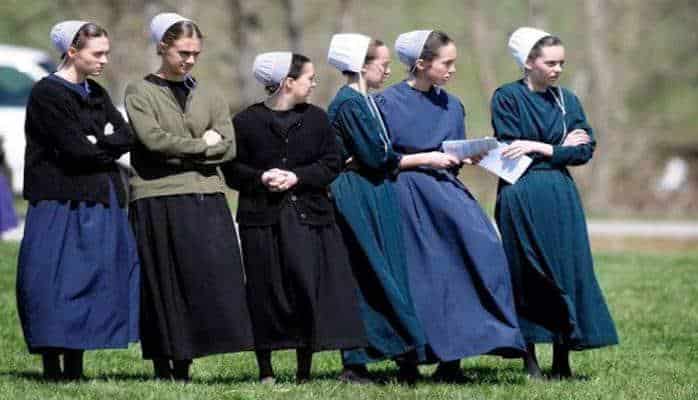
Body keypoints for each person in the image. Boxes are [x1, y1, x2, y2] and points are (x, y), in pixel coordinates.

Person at [373, 30, 526, 382]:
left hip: (446, 192)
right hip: (404, 193)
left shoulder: (453, 105)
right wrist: (426, 159)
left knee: (482, 250)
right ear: (421, 63)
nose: (453, 69)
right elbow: (382, 158)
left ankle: (455, 358)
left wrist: (468, 155)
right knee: (418, 275)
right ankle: (410, 360)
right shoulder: (385, 104)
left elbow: (452, 153)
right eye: (447, 63)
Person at [223, 51, 366, 384]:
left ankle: (304, 370)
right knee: (263, 291)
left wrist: (297, 177)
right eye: (309, 78)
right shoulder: (245, 122)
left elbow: (331, 163)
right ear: (288, 82)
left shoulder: (317, 119)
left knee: (305, 288)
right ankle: (266, 370)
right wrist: (261, 178)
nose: (314, 84)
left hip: (309, 218)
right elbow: (232, 169)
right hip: (261, 220)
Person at [124, 13, 253, 381]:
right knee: (163, 282)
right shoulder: (139, 92)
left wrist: (186, 149)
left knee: (206, 279)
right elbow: (154, 142)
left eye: (196, 53)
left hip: (206, 195)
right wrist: (202, 145)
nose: (190, 60)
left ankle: (188, 360)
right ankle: (164, 361)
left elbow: (228, 147)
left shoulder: (211, 94)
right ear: (162, 47)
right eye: (183, 52)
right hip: (157, 197)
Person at [491, 27, 618, 379]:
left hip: (561, 194)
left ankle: (562, 360)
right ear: (528, 62)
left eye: (561, 62)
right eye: (550, 63)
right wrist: (560, 147)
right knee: (527, 272)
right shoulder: (506, 97)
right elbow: (511, 149)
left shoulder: (567, 100)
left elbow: (585, 150)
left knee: (567, 270)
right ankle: (529, 359)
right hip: (521, 192)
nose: (558, 69)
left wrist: (542, 147)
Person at [17, 20, 139, 380]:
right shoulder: (47, 94)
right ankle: (51, 364)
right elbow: (74, 150)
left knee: (90, 279)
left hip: (97, 197)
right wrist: (100, 143)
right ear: (72, 52)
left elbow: (127, 135)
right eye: (97, 53)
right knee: (53, 282)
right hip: (58, 200)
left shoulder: (96, 92)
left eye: (106, 53)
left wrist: (96, 142)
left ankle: (75, 363)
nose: (104, 60)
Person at [326, 33, 426, 384]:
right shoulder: (349, 104)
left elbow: (378, 154)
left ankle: (403, 353)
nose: (387, 71)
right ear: (360, 66)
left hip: (375, 190)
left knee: (389, 270)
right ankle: (359, 361)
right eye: (382, 65)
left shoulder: (364, 101)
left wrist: (383, 157)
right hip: (358, 193)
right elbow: (375, 155)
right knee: (369, 271)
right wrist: (386, 157)